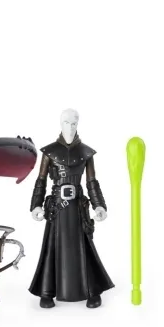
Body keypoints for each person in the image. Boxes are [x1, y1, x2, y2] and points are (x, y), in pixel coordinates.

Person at [29, 109, 114, 308]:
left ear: (78, 124)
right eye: (66, 123)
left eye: (73, 123)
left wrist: (99, 205)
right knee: (52, 247)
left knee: (84, 247)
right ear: (60, 124)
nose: (70, 127)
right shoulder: (49, 152)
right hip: (57, 207)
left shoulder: (86, 153)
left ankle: (92, 290)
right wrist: (36, 205)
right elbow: (41, 180)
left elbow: (91, 182)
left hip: (77, 207)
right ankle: (47, 291)